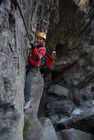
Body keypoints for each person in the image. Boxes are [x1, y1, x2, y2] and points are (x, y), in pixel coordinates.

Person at [24, 32, 46, 110]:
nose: (39, 40)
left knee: (27, 81)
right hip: (29, 65)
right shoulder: (36, 47)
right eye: (38, 39)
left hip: (34, 68)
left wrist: (34, 48)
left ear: (43, 41)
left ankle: (27, 100)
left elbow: (37, 58)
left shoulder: (43, 49)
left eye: (41, 39)